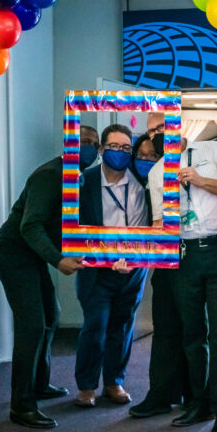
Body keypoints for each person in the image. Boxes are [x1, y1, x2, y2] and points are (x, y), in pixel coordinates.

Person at [129, 113, 217, 425]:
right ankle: (199, 403)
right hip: (184, 256)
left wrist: (199, 179)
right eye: (152, 130)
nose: (157, 133)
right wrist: (127, 249)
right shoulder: (156, 172)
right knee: (193, 335)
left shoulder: (212, 152)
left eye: (162, 127)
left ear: (177, 126)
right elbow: (159, 224)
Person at [0, 126, 99, 429]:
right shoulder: (50, 175)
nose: (89, 149)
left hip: (33, 255)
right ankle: (22, 406)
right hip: (15, 254)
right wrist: (58, 259)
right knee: (32, 326)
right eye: (84, 142)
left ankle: (40, 384)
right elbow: (31, 226)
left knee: (51, 316)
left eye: (94, 144)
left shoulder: (75, 177)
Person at [72, 124, 153, 407]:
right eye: (115, 147)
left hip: (134, 269)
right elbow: (74, 228)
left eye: (126, 148)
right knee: (95, 326)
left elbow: (152, 226)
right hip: (96, 269)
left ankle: (114, 382)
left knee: (123, 326)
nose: (121, 152)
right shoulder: (83, 182)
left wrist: (133, 260)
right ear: (102, 150)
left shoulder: (144, 182)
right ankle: (86, 386)